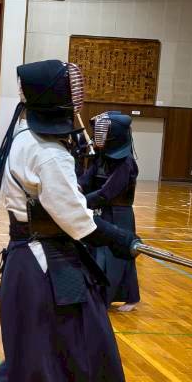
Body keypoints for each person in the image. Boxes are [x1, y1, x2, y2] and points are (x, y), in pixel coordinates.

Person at [0, 59, 144, 382]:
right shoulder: (49, 153)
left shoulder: (23, 136)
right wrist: (122, 240)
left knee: (43, 334)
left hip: (31, 254)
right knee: (68, 332)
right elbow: (76, 220)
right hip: (44, 258)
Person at [78, 110, 140, 311]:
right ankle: (129, 296)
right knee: (103, 253)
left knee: (117, 257)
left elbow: (107, 193)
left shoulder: (126, 163)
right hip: (102, 212)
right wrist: (74, 189)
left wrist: (80, 202)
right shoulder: (101, 158)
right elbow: (87, 179)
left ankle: (104, 299)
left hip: (119, 214)